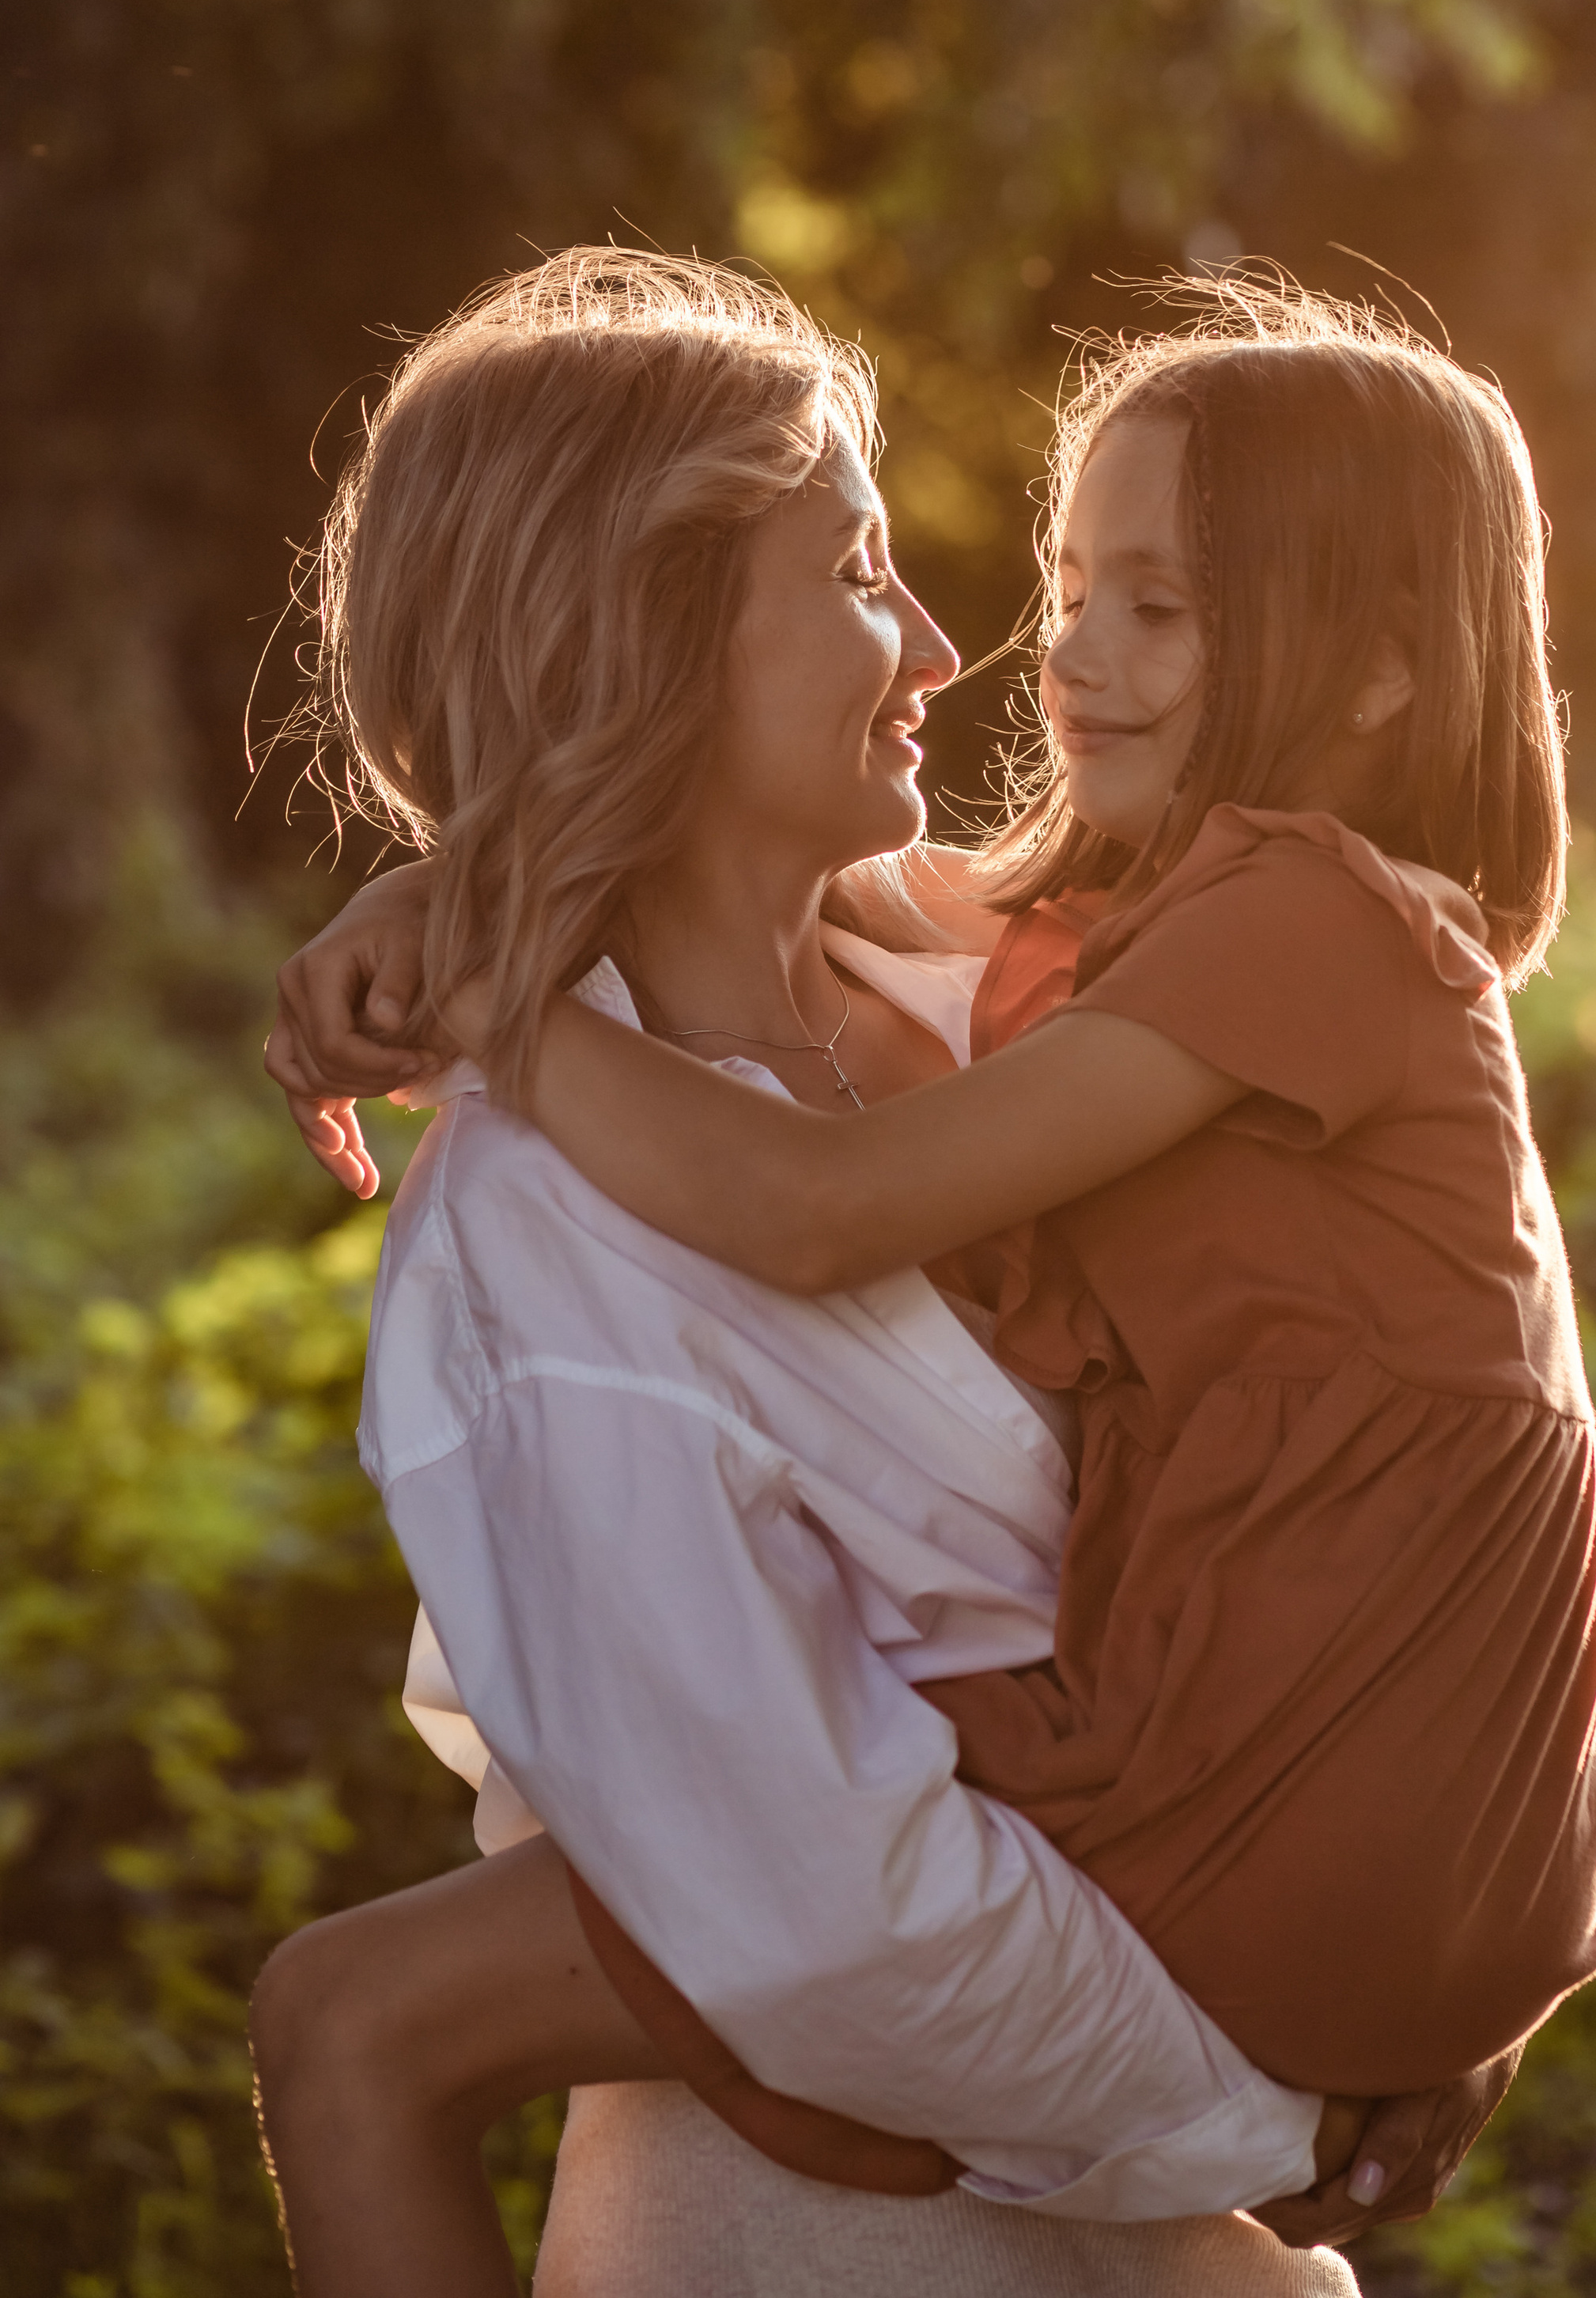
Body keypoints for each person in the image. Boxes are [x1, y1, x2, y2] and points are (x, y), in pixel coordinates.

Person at [258, 252, 1513, 2298]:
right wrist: (1281, 2077)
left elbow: (1425, 1420)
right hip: (833, 2237)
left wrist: (1437, 1924)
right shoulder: (544, 1250)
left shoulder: (1014, 974)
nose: (947, 646)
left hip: (1158, 2198)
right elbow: (829, 1920)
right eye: (857, 575)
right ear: (638, 644)